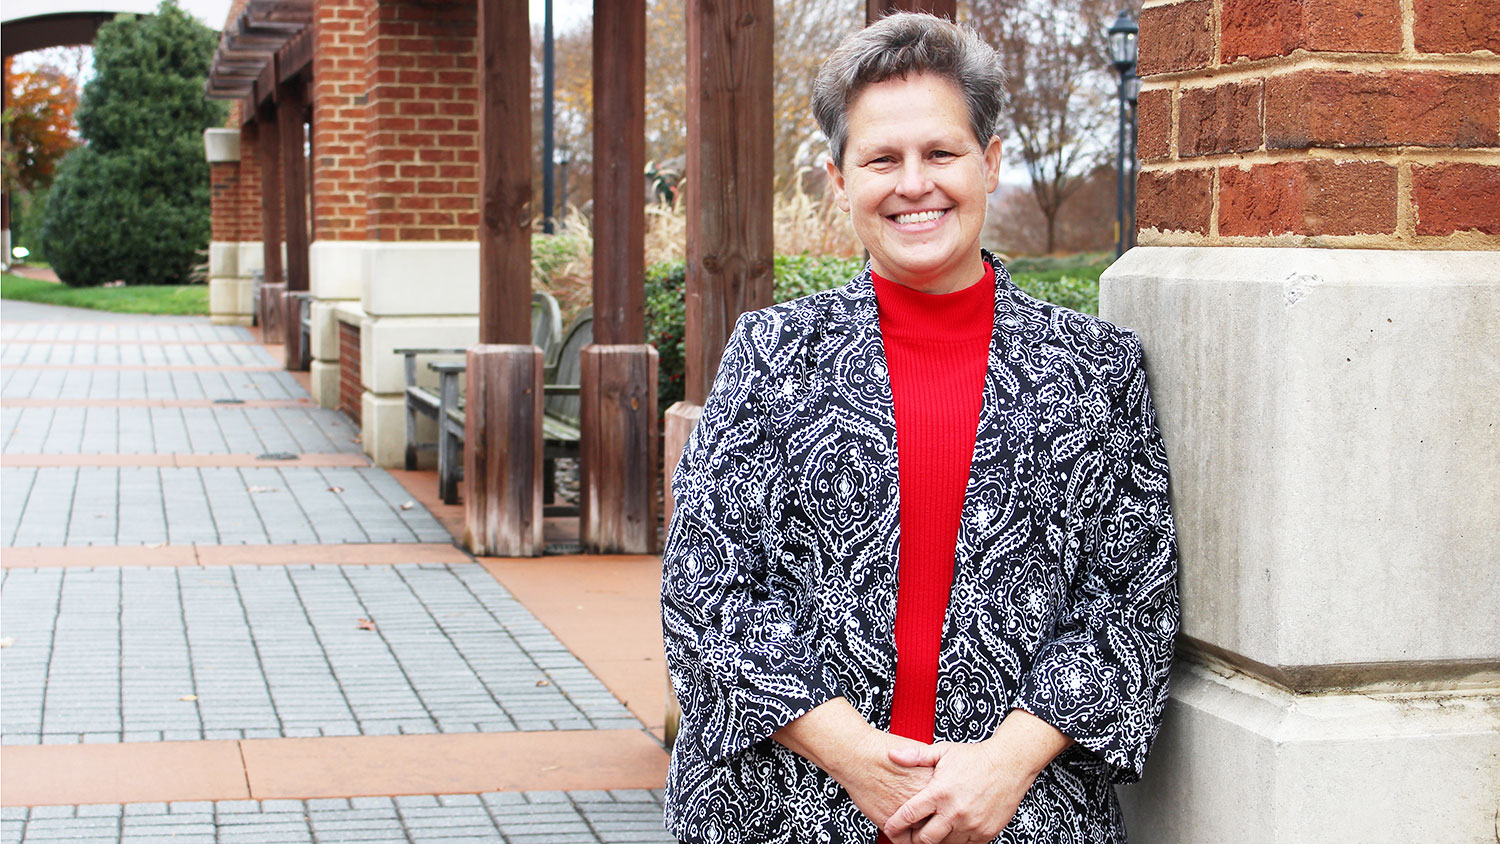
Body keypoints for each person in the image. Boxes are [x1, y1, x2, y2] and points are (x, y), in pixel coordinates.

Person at [661, 12, 1178, 844]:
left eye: (940, 153)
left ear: (992, 162)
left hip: (1018, 813)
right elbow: (708, 592)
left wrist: (1003, 765)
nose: (914, 184)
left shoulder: (1097, 371)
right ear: (838, 180)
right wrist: (857, 759)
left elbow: (1128, 604)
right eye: (881, 160)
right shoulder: (771, 354)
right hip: (785, 808)